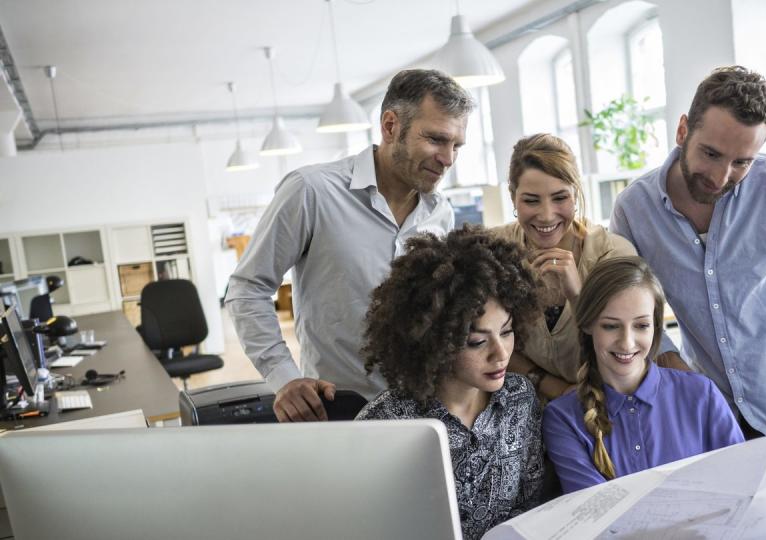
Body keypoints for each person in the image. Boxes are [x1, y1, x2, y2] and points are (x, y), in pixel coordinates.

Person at [609, 65, 766, 514]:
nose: (722, 176)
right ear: (683, 130)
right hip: (712, 424)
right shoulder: (635, 209)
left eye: (742, 162)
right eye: (710, 153)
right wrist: (673, 364)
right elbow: (631, 305)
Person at [225, 69, 474, 422]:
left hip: (423, 411)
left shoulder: (440, 212)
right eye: (436, 139)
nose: (448, 158)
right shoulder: (311, 191)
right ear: (391, 126)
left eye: (456, 146)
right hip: (339, 411)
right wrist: (285, 378)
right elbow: (247, 288)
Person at [543, 256, 766, 539]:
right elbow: (598, 529)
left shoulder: (701, 394)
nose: (627, 341)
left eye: (641, 325)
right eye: (611, 326)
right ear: (587, 325)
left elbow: (745, 498)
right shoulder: (563, 418)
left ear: (657, 326)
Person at [355, 225, 544, 540]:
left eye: (507, 332)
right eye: (476, 341)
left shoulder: (520, 399)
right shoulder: (383, 424)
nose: (501, 353)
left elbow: (531, 505)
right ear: (435, 341)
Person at [490, 133, 637, 400]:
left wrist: (579, 296)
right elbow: (479, 342)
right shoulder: (494, 250)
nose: (546, 215)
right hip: (521, 407)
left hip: (601, 404)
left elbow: (626, 350)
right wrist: (545, 382)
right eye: (531, 200)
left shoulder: (612, 254)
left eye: (560, 198)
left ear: (576, 194)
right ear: (513, 198)